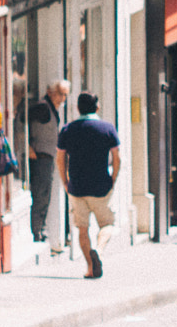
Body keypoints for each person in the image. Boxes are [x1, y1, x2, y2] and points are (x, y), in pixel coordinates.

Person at [56, 93, 122, 278]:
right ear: (97, 107)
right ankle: (99, 251)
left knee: (82, 228)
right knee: (107, 224)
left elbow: (60, 159)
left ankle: (91, 268)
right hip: (101, 185)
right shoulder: (107, 128)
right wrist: (113, 179)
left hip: (77, 187)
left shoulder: (68, 130)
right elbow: (117, 158)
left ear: (78, 108)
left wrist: (65, 182)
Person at [26, 80, 68, 248]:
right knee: (40, 194)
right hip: (40, 156)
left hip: (48, 156)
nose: (63, 98)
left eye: (65, 95)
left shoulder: (51, 108)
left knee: (45, 194)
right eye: (60, 94)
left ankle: (40, 229)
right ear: (50, 92)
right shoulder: (42, 108)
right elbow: (21, 123)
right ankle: (37, 230)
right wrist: (27, 146)